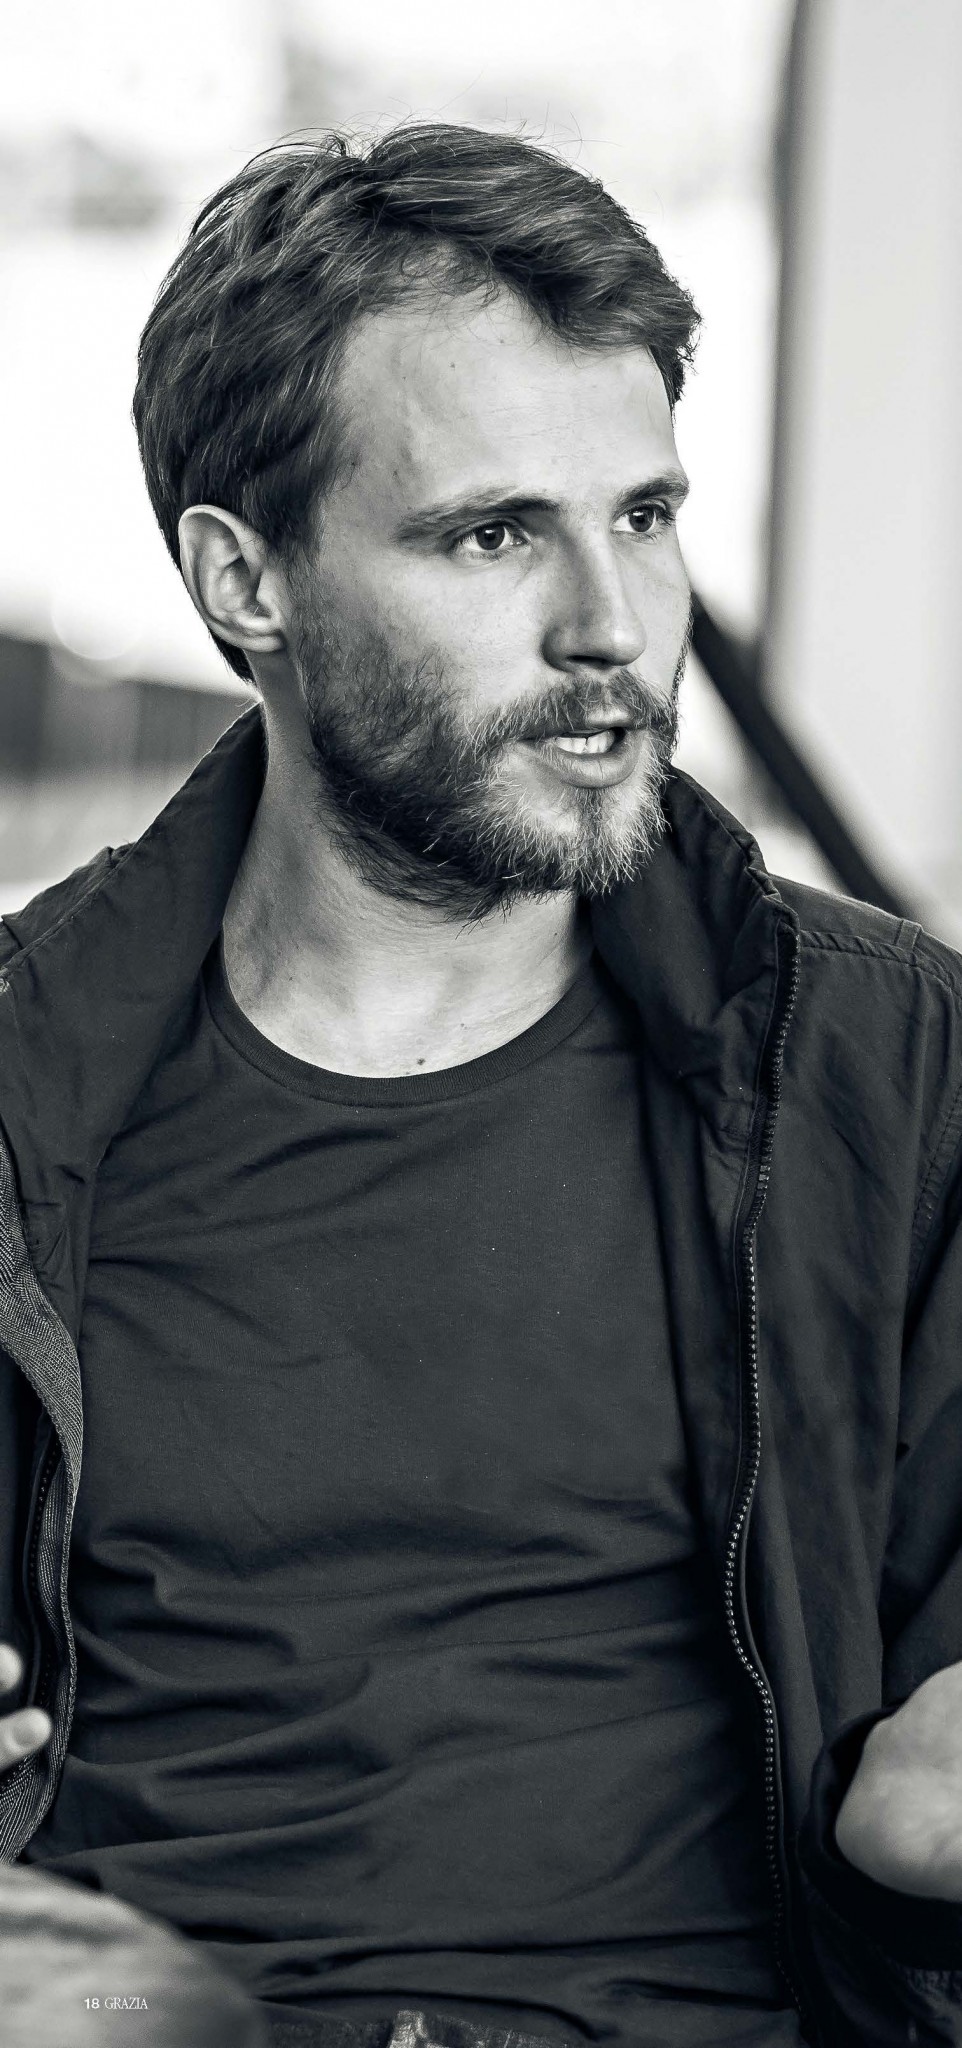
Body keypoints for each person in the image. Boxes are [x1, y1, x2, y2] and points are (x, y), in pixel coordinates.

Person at [0, 122, 960, 2048]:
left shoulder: (887, 1068)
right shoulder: (26, 1092)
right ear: (246, 581)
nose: (611, 626)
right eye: (492, 534)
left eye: (645, 515)